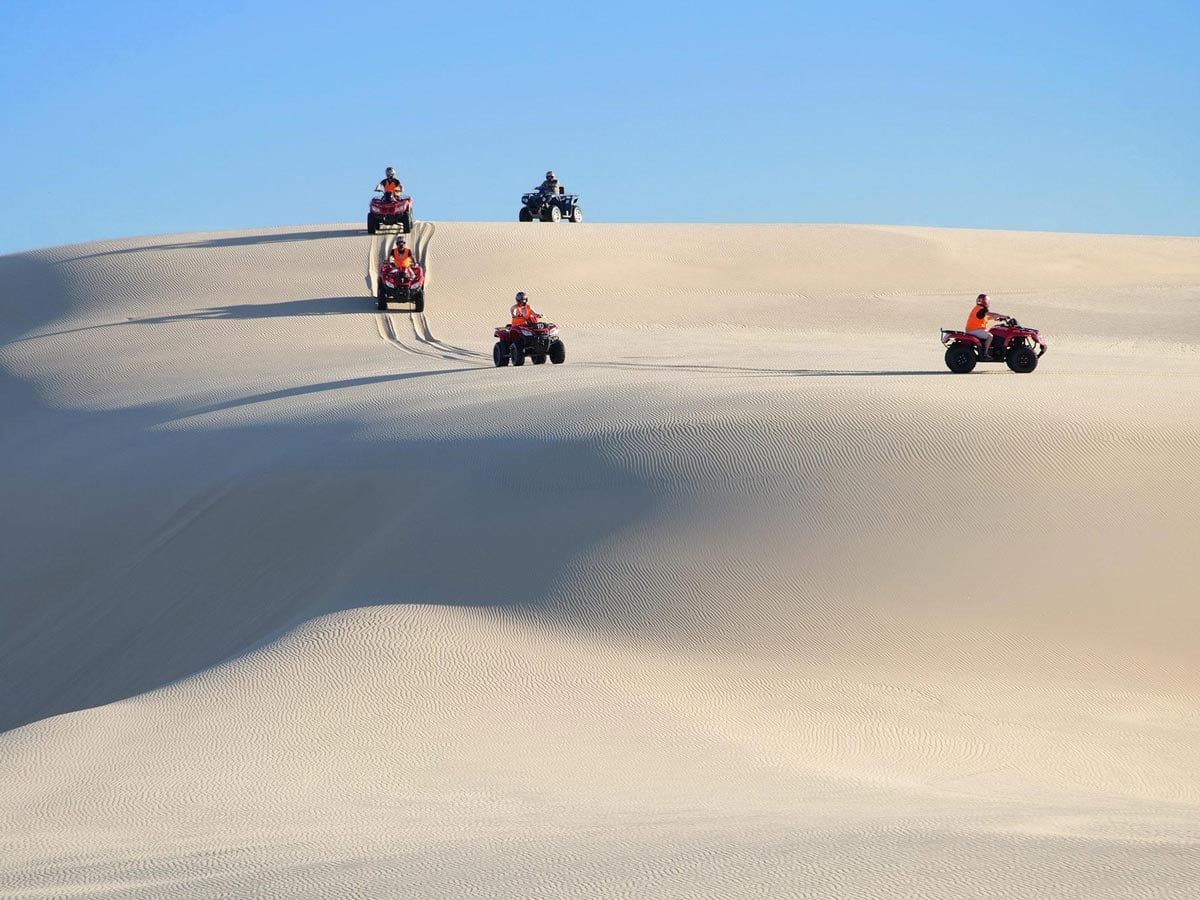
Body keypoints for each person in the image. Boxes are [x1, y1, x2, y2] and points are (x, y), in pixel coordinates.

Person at [965, 293, 1011, 359]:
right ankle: (985, 354)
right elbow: (991, 314)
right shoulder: (982, 309)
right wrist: (1004, 316)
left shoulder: (977, 308)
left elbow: (985, 317)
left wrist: (998, 318)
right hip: (974, 330)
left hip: (973, 329)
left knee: (990, 333)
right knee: (990, 336)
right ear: (986, 301)